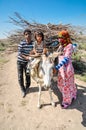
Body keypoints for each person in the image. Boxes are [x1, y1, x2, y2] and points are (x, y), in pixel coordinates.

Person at [55, 30, 77, 108]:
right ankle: (73, 94)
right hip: (61, 69)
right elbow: (57, 53)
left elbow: (66, 58)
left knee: (66, 85)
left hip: (67, 69)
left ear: (65, 37)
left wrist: (57, 67)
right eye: (59, 37)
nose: (59, 39)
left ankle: (67, 102)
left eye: (61, 37)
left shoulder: (69, 46)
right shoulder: (62, 46)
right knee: (61, 84)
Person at [17, 29, 34, 98]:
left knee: (28, 75)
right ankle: (23, 89)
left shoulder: (33, 43)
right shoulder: (22, 43)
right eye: (26, 34)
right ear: (24, 36)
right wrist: (26, 57)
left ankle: (27, 86)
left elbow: (34, 51)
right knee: (20, 76)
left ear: (31, 35)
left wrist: (32, 55)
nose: (28, 35)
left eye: (29, 34)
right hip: (20, 62)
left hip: (28, 63)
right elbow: (19, 53)